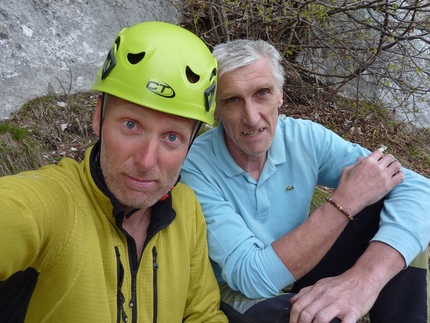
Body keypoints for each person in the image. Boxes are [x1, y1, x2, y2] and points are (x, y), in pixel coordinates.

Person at [180, 39, 430, 323]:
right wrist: (345, 201)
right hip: (242, 295)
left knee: (402, 222)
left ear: (280, 96)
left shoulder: (304, 138)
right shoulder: (195, 167)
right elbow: (251, 277)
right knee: (323, 318)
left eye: (262, 93)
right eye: (233, 100)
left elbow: (418, 187)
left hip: (303, 267)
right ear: (215, 108)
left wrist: (365, 280)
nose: (251, 117)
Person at [0, 21, 227, 323]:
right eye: (131, 125)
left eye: (172, 137)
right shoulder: (52, 205)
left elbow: (203, 315)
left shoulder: (185, 209)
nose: (147, 161)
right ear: (99, 116)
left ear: (190, 143)